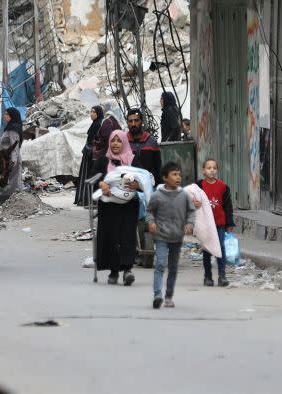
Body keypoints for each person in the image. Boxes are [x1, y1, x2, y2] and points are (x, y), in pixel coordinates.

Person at [146, 162, 197, 308]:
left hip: (177, 237)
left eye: (179, 174)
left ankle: (168, 296)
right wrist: (151, 223)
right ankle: (157, 295)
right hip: (161, 236)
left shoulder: (184, 195)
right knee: (161, 264)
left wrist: (190, 224)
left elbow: (192, 211)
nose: (178, 177)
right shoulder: (157, 196)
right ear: (165, 178)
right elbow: (149, 212)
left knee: (173, 267)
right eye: (174, 174)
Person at [93, 130, 140, 285]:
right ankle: (113, 271)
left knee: (127, 235)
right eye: (112, 140)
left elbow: (145, 178)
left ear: (124, 142)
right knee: (111, 236)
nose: (115, 144)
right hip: (109, 205)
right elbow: (92, 178)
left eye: (119, 141)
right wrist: (101, 183)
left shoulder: (133, 160)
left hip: (128, 204)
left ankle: (127, 270)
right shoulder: (103, 161)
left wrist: (136, 184)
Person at [197, 159, 234, 287]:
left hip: (219, 223)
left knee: (220, 250)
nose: (212, 170)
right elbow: (192, 201)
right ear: (203, 170)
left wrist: (230, 223)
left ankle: (222, 276)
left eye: (214, 168)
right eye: (208, 168)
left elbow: (228, 206)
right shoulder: (199, 186)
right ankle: (208, 277)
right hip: (205, 224)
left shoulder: (223, 187)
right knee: (207, 250)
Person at [74, 106, 105, 206]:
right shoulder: (95, 124)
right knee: (86, 174)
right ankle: (85, 199)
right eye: (90, 111)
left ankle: (87, 199)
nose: (91, 114)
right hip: (89, 153)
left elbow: (96, 141)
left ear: (98, 114)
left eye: (93, 112)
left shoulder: (98, 125)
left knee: (89, 175)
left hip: (92, 155)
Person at [0, 107, 23, 203]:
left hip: (11, 159)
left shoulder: (13, 129)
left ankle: (15, 201)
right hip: (6, 159)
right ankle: (12, 200)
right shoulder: (10, 128)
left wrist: (13, 160)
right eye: (5, 114)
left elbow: (15, 145)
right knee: (11, 181)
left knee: (13, 182)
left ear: (12, 117)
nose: (4, 116)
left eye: (7, 115)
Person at [125, 108, 162, 184]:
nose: (133, 124)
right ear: (127, 123)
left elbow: (157, 167)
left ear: (141, 121)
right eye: (130, 121)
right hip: (129, 187)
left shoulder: (151, 141)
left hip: (149, 185)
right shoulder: (122, 141)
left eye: (136, 120)